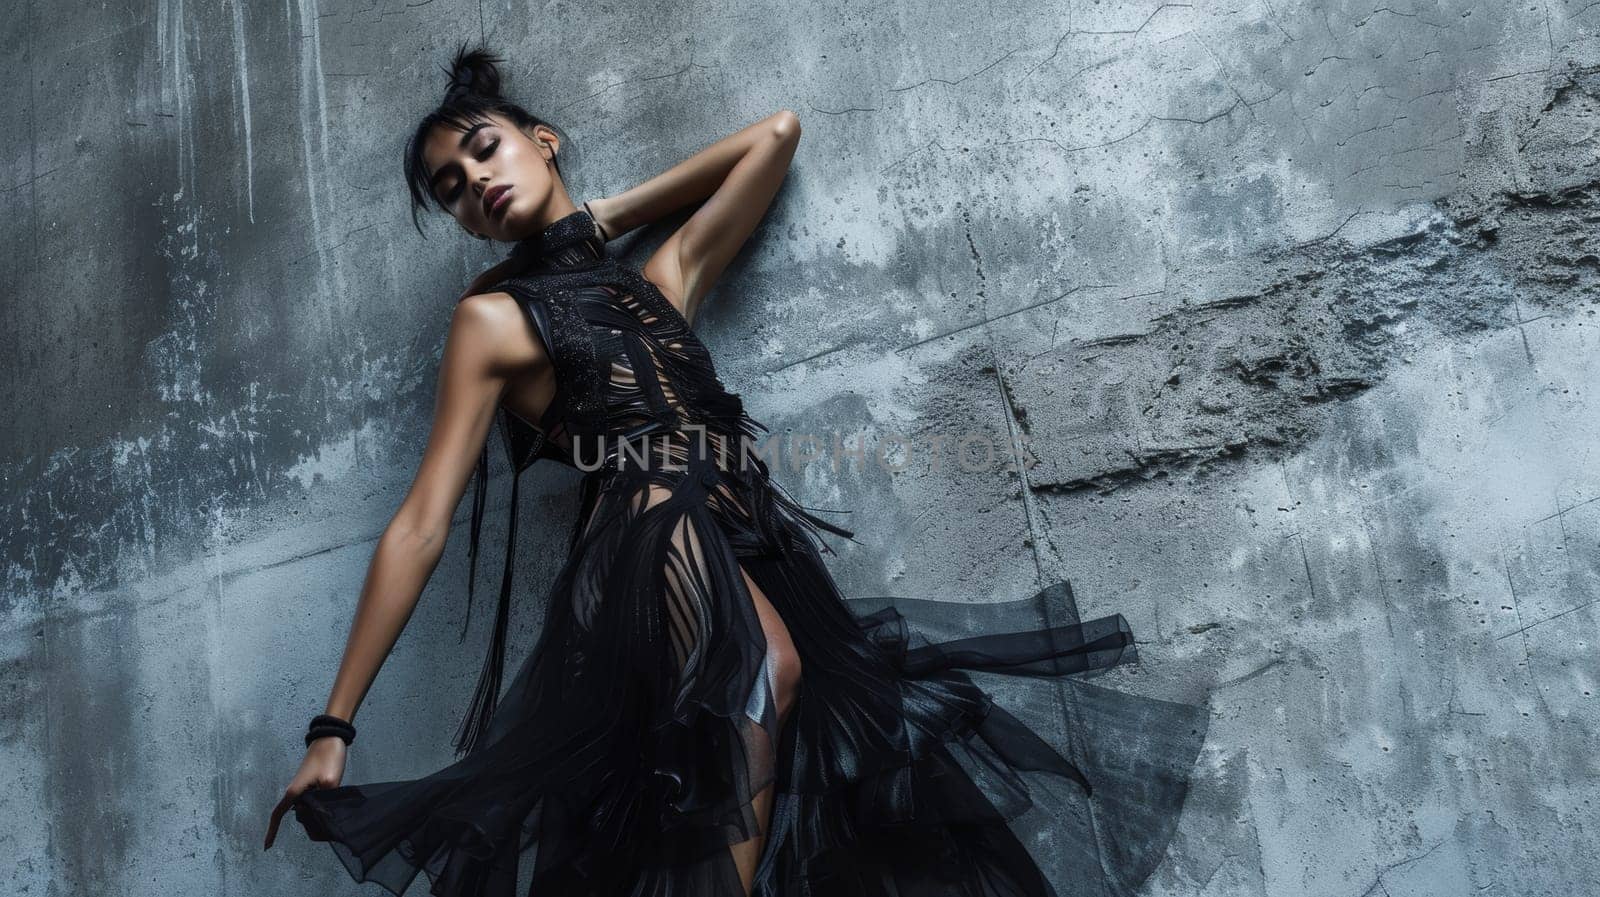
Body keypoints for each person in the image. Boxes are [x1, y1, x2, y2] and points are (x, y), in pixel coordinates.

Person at [262, 44, 1206, 897]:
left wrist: (604, 215)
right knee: (765, 668)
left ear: (541, 140)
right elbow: (423, 520)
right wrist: (331, 727)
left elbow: (775, 136)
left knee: (848, 754)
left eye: (485, 150)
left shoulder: (659, 279)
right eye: (453, 188)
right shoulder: (489, 323)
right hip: (646, 526)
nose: (476, 182)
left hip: (747, 524)